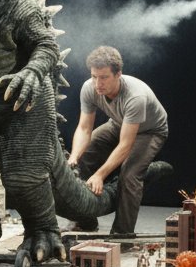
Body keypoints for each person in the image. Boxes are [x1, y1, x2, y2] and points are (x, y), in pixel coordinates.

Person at [67, 46, 169, 237]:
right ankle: (86, 220)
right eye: (94, 76)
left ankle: (123, 234)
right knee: (82, 158)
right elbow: (84, 128)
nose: (98, 83)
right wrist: (73, 157)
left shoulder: (135, 96)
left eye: (104, 77)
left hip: (150, 131)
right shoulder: (89, 88)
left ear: (118, 74)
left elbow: (125, 145)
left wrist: (100, 175)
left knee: (129, 175)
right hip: (118, 123)